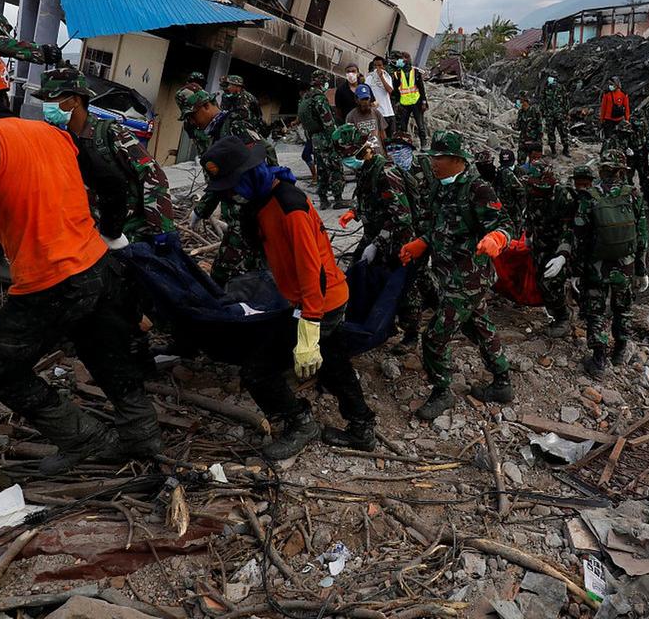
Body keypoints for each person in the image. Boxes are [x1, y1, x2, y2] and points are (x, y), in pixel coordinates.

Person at [0, 43, 161, 474]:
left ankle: (88, 441)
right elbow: (113, 182)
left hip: (50, 281)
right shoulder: (51, 133)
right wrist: (111, 234)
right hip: (97, 269)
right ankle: (143, 436)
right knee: (104, 350)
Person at [200, 136, 376, 454]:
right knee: (334, 362)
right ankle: (362, 426)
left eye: (234, 185)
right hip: (322, 298)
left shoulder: (288, 205)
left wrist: (308, 324)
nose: (234, 194)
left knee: (259, 370)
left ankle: (299, 423)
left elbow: (313, 270)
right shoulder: (263, 200)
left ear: (249, 175)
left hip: (320, 300)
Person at [399, 130, 513, 420]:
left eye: (438, 158)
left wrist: (497, 238)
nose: (433, 164)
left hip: (468, 279)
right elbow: (436, 224)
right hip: (446, 275)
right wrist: (422, 242)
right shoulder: (440, 187)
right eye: (432, 158)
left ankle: (442, 392)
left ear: (456, 159)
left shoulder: (478, 189)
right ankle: (502, 382)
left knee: (435, 338)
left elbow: (506, 223)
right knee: (480, 327)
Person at [38, 67, 175, 242]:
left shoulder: (111, 134)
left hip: (127, 233)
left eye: (51, 99)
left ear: (75, 100)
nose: (46, 106)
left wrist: (162, 229)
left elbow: (152, 175)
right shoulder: (59, 138)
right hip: (88, 234)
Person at [333, 123, 423, 355]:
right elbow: (368, 199)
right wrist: (354, 211)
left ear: (363, 149)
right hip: (375, 234)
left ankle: (411, 334)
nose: (346, 160)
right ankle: (382, 324)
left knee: (402, 286)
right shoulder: (366, 170)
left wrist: (376, 244)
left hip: (399, 240)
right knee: (360, 273)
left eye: (347, 154)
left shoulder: (385, 172)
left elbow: (401, 217)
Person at [177, 86, 276, 284]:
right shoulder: (218, 131)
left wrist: (264, 200)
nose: (192, 122)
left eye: (192, 115)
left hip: (247, 212)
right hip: (239, 214)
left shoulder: (234, 127)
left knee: (224, 273)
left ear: (206, 106)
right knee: (248, 269)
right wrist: (202, 210)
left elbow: (266, 157)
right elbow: (221, 181)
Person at [572, 151, 648, 376]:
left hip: (596, 264)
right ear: (621, 171)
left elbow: (580, 237)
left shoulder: (589, 196)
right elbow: (642, 234)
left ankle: (598, 360)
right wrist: (641, 269)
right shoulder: (633, 194)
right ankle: (620, 349)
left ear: (601, 170)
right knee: (622, 308)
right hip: (626, 263)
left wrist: (576, 270)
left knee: (595, 310)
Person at [522, 162, 577, 338]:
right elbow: (530, 214)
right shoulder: (531, 192)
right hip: (540, 244)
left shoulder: (563, 196)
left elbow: (570, 229)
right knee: (541, 281)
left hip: (559, 247)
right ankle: (555, 312)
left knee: (551, 282)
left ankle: (563, 318)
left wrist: (562, 255)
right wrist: (528, 235)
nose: (536, 190)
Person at [296, 71, 345, 209]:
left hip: (314, 139)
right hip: (325, 137)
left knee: (322, 169)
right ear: (322, 82)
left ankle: (323, 199)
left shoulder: (305, 98)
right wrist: (337, 139)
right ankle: (338, 199)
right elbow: (327, 121)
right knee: (335, 167)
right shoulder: (319, 98)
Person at [601, 118, 649, 194]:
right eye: (625, 133)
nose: (627, 135)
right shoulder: (610, 141)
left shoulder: (624, 140)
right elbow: (604, 156)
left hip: (621, 167)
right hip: (610, 168)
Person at [393, 52, 428, 146]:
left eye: (404, 58)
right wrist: (397, 103)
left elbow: (421, 88)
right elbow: (396, 90)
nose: (401, 60)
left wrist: (424, 102)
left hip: (416, 102)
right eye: (400, 58)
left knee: (420, 125)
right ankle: (405, 144)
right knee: (403, 126)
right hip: (404, 104)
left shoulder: (415, 72)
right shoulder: (397, 74)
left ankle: (424, 144)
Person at [487, 148, 526, 232]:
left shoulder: (521, 172)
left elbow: (522, 192)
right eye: (505, 165)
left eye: (509, 165)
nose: (507, 169)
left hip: (516, 210)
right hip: (501, 210)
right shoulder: (497, 174)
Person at [345, 84, 388, 151]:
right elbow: (349, 140)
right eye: (362, 99)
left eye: (366, 99)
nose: (365, 102)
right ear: (356, 99)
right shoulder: (351, 117)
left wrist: (387, 150)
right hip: (362, 156)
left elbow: (382, 133)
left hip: (379, 154)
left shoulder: (376, 113)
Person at [539, 74, 570, 156]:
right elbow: (542, 102)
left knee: (564, 133)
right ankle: (553, 151)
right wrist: (543, 113)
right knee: (550, 134)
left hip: (560, 115)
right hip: (549, 116)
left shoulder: (561, 88)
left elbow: (566, 101)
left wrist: (566, 113)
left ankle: (566, 150)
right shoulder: (546, 89)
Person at [365, 56, 396, 135]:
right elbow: (366, 93)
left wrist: (381, 77)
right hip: (378, 113)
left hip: (389, 112)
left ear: (383, 66)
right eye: (375, 65)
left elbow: (389, 90)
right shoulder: (370, 78)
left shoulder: (387, 77)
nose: (377, 68)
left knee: (391, 137)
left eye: (379, 65)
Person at [515, 95, 543, 160]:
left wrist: (538, 141)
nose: (519, 103)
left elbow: (540, 126)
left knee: (534, 161)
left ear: (525, 102)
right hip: (523, 140)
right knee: (520, 160)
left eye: (520, 101)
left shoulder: (535, 111)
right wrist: (515, 127)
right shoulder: (520, 112)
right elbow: (518, 127)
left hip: (533, 140)